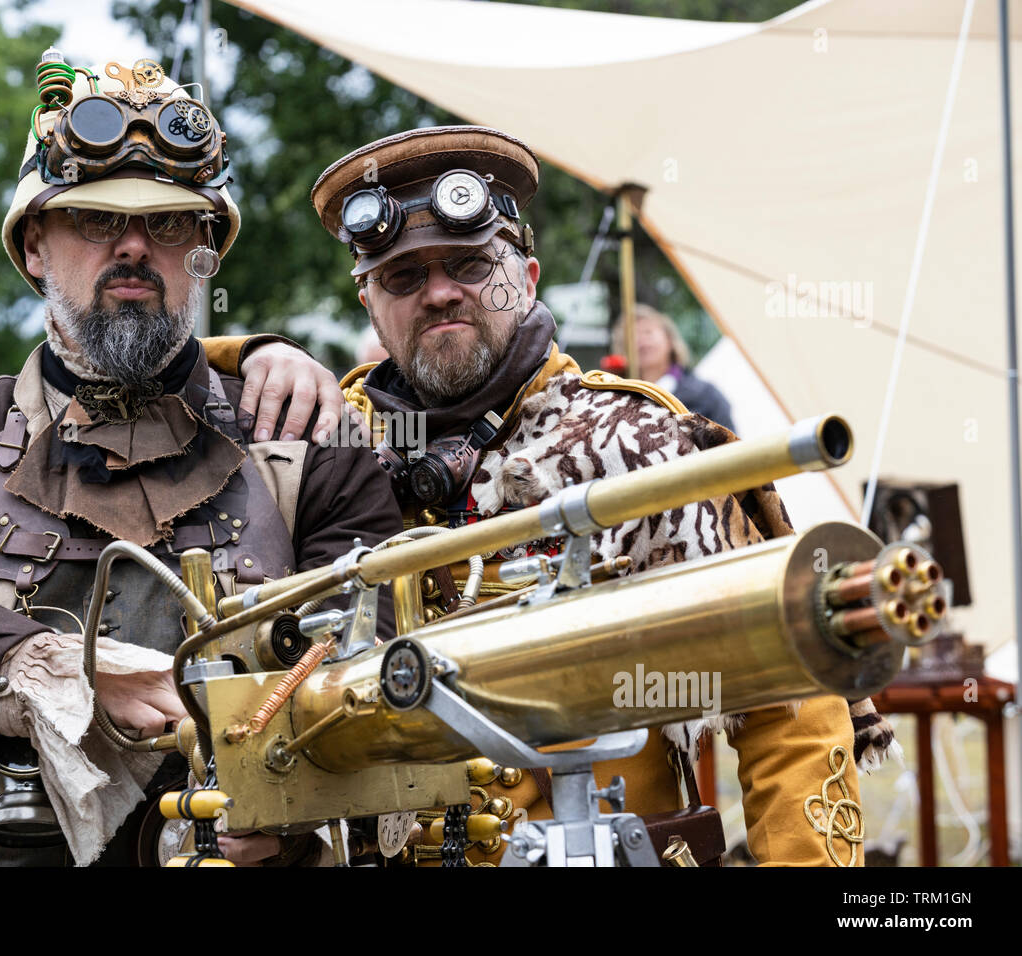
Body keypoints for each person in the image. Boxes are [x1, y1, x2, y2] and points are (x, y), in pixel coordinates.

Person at [0, 53, 400, 867]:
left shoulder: (307, 440)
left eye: (172, 223)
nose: (136, 246)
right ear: (34, 245)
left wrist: (300, 814)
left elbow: (379, 667)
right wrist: (44, 671)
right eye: (97, 220)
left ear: (206, 251)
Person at [312, 125, 897, 866]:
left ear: (523, 279)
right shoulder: (328, 452)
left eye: (469, 264)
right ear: (369, 302)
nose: (439, 292)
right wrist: (249, 350)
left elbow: (789, 709)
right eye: (402, 277)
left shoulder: (641, 445)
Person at [611, 303, 735, 431]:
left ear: (670, 340)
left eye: (648, 332)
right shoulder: (619, 401)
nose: (641, 340)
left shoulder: (706, 395)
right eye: (632, 336)